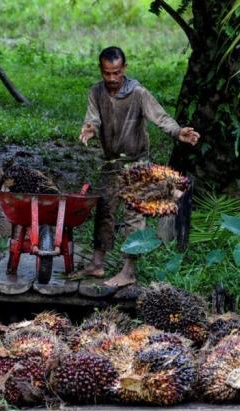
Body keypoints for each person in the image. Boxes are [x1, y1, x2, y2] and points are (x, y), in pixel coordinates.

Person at [77, 46, 200, 287]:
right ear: (101, 70)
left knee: (134, 215)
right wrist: (89, 129)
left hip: (136, 163)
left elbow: (161, 118)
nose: (112, 79)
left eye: (116, 73)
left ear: (124, 68)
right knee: (104, 210)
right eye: (106, 73)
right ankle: (97, 263)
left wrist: (178, 132)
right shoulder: (96, 92)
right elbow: (92, 118)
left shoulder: (138, 93)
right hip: (111, 164)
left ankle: (129, 270)